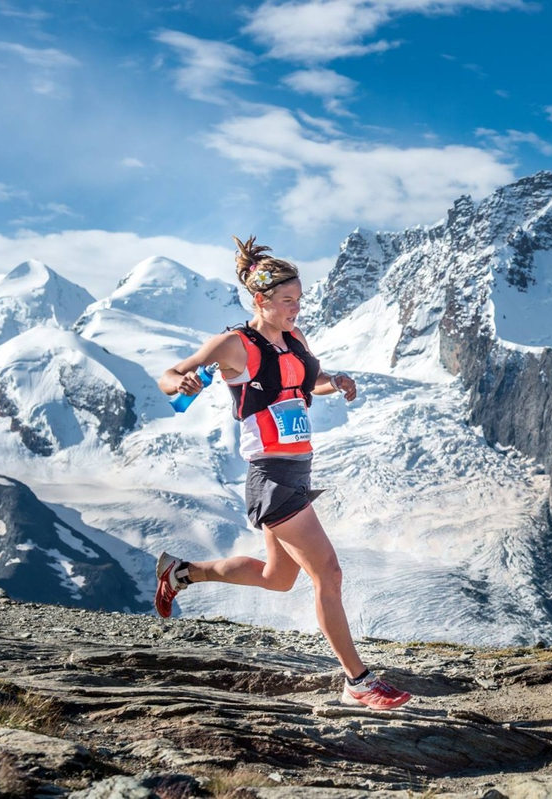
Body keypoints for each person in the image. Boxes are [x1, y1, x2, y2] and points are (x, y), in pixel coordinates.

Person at [153, 235, 411, 711]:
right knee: (327, 574)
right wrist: (183, 381)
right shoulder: (234, 344)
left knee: (276, 578)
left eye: (298, 299)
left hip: (298, 468)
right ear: (261, 300)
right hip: (269, 476)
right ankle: (358, 681)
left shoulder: (295, 339)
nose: (296, 308)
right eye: (286, 301)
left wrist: (334, 382)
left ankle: (180, 572)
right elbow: (171, 374)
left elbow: (301, 380)